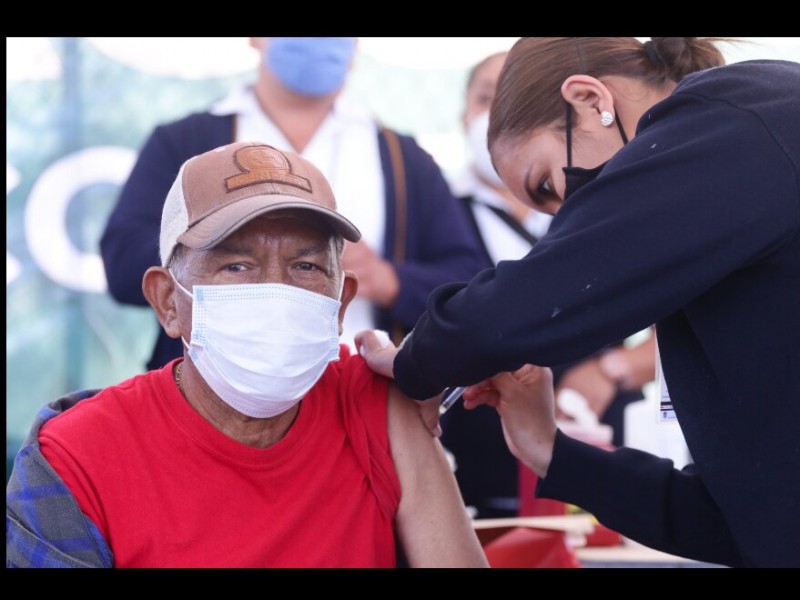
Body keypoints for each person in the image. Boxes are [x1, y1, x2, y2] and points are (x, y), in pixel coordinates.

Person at [357, 37, 800, 567]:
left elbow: (504, 315)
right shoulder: (723, 234)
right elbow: (745, 518)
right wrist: (549, 451)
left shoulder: (743, 117)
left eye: (547, 183)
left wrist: (417, 362)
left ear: (590, 100)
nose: (565, 218)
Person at [6, 142, 489, 568]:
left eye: (306, 266)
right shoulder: (77, 455)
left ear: (340, 305)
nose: (276, 292)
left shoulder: (376, 405)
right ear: (168, 301)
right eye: (235, 265)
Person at [100, 37, 484, 370]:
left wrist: (387, 279)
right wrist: (218, 256)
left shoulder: (404, 159)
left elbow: (468, 280)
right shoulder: (184, 141)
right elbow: (123, 261)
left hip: (359, 397)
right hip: (209, 398)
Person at [442, 50, 654, 519]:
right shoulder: (436, 206)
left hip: (595, 442)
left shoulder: (604, 201)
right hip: (478, 453)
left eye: (514, 100)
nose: (500, 114)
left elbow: (682, 308)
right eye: (487, 99)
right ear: (463, 115)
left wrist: (611, 369)